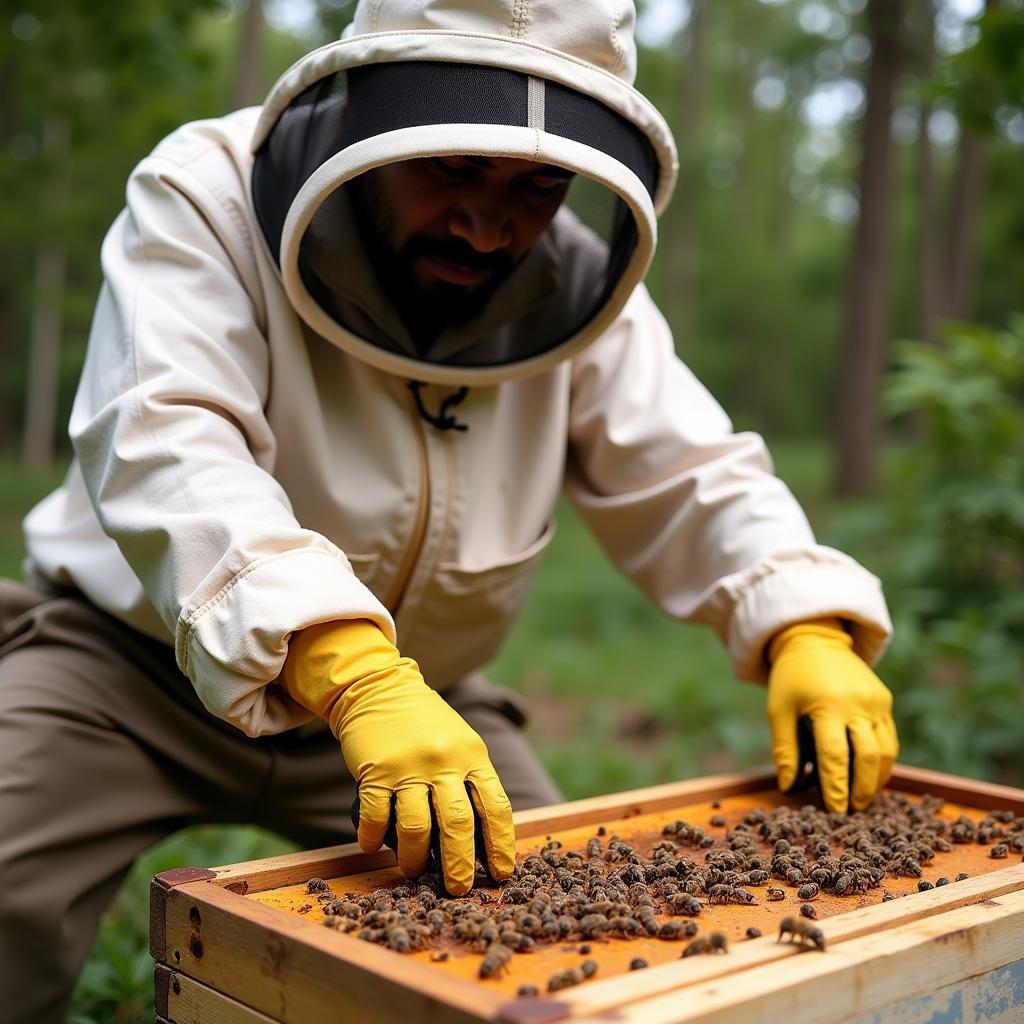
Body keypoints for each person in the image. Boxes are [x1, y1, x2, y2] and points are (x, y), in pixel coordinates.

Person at [0, 1, 899, 1019]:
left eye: (534, 187)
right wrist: (346, 670)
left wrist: (801, 619)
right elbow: (165, 442)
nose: (486, 227)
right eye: (451, 170)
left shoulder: (576, 288)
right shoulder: (203, 193)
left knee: (582, 940)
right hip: (128, 669)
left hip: (427, 711)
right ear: (365, 130)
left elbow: (691, 469)